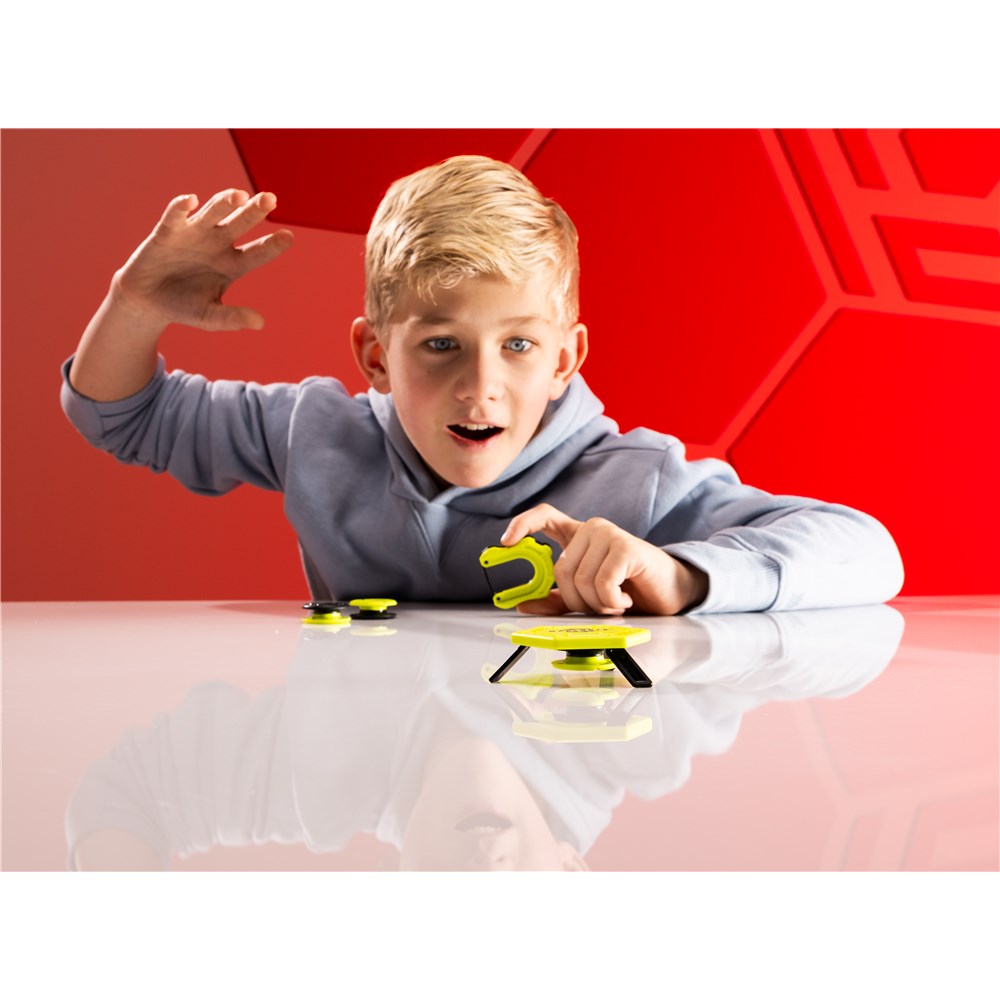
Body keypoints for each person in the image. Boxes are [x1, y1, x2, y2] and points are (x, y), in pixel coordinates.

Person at [61, 155, 904, 615]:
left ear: (566, 360)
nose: (481, 387)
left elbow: (868, 550)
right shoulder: (314, 433)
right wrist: (134, 306)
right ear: (375, 356)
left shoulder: (633, 480)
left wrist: (682, 575)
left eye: (519, 345)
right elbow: (120, 417)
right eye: (441, 345)